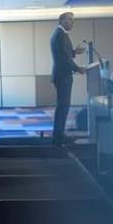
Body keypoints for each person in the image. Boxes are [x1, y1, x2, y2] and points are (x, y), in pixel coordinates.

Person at [50, 12, 85, 146]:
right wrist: (78, 68)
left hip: (62, 74)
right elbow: (64, 59)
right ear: (62, 21)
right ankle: (58, 136)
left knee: (63, 105)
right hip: (63, 75)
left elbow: (65, 54)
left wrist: (74, 52)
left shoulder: (60, 34)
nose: (72, 22)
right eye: (70, 20)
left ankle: (59, 134)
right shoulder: (60, 35)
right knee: (63, 106)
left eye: (72, 20)